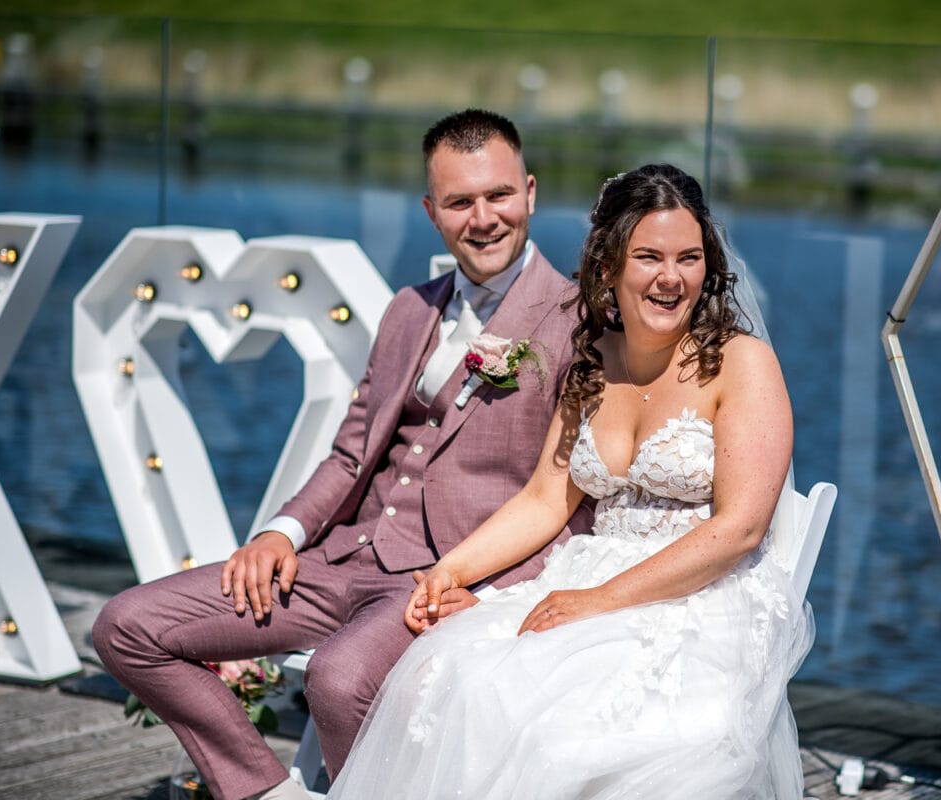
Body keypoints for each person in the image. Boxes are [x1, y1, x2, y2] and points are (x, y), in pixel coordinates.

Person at [92, 109, 589, 800]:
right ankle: (268, 792)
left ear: (530, 193)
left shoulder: (578, 321)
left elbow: (570, 497)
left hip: (440, 584)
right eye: (459, 202)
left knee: (337, 677)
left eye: (498, 195)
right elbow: (353, 453)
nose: (483, 218)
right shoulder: (408, 309)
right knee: (126, 627)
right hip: (335, 561)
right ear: (431, 212)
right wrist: (280, 532)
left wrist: (493, 592)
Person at [328, 164, 815, 799]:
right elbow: (544, 499)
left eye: (688, 257)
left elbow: (740, 529)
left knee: (566, 733)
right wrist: (451, 570)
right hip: (583, 576)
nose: (671, 278)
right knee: (455, 675)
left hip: (700, 596)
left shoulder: (741, 363)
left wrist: (598, 602)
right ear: (609, 266)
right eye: (648, 257)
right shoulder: (594, 357)